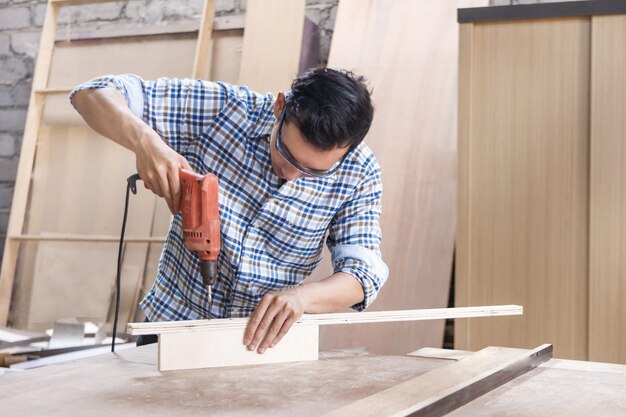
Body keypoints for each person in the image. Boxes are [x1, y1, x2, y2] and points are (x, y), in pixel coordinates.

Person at [70, 68, 388, 353]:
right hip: (173, 328)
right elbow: (91, 93)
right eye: (286, 154)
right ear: (280, 107)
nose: (291, 173)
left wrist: (301, 298)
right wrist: (146, 141)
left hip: (261, 346)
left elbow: (361, 276)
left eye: (312, 171)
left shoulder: (359, 172)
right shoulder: (224, 110)